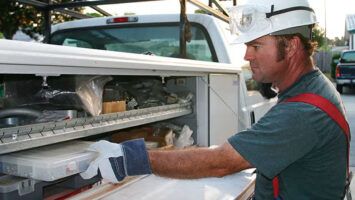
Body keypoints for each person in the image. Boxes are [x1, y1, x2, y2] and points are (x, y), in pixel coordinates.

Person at [80, 0, 350, 199]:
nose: (247, 56)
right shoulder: (309, 88)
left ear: (290, 46)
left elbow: (222, 161)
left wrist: (129, 158)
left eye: (255, 46)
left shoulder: (303, 111)